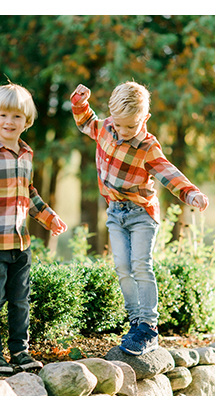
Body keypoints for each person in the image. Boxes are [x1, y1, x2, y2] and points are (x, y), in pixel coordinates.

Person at [69, 82, 208, 355]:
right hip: (114, 212)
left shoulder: (147, 146)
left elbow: (168, 173)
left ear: (144, 118)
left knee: (140, 266)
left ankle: (149, 327)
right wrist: (79, 103)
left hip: (142, 214)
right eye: (119, 125)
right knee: (122, 267)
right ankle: (135, 321)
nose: (122, 132)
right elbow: (86, 122)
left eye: (130, 126)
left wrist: (191, 193)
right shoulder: (107, 128)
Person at [0, 83, 67, 373]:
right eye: (3, 115)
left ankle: (20, 352)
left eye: (17, 117)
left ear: (26, 121)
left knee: (20, 300)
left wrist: (49, 217)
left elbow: (28, 193)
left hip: (20, 242)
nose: (9, 122)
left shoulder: (26, 154)